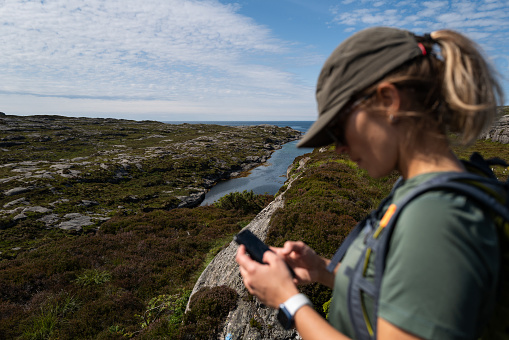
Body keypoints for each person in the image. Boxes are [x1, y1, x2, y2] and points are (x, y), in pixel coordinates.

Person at [236, 26, 504, 340]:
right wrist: (322, 271)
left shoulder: (435, 216)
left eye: (338, 128)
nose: (338, 147)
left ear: (389, 101)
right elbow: (399, 292)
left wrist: (289, 302)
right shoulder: (419, 194)